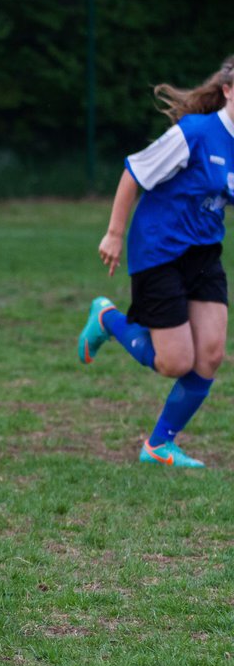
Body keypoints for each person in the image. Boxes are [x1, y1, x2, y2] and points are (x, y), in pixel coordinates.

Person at [78, 55, 234, 468]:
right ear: (228, 89)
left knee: (211, 355)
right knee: (176, 362)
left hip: (203, 255)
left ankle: (158, 445)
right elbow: (134, 172)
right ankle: (107, 319)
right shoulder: (195, 133)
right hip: (159, 252)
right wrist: (114, 232)